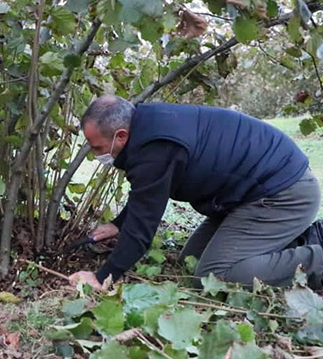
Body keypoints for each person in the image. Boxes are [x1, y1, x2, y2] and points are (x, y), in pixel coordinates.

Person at [69, 95, 323, 291]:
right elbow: (147, 193)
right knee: (192, 259)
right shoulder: (147, 126)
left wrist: (102, 277)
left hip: (283, 193)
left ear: (121, 135)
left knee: (214, 275)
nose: (96, 154)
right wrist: (117, 224)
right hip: (250, 194)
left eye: (97, 147)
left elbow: (142, 229)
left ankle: (318, 260)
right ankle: (306, 237)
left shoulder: (155, 148)